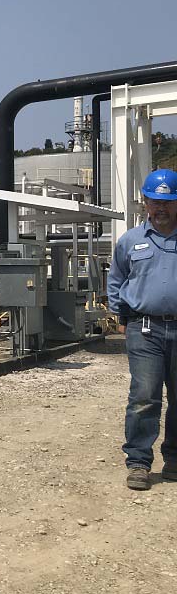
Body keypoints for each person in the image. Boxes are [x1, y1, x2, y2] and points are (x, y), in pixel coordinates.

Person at [107, 168, 177, 490]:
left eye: (168, 202)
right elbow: (116, 280)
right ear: (145, 202)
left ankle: (174, 460)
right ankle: (138, 461)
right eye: (155, 202)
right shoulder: (131, 241)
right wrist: (121, 317)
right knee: (145, 396)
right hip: (145, 328)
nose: (161, 208)